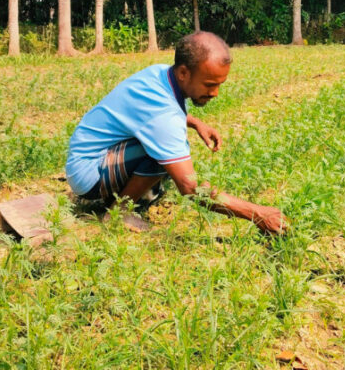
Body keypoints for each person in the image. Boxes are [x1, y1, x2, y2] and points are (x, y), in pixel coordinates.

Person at [65, 31, 287, 234]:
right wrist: (257, 213)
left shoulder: (160, 74)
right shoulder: (163, 115)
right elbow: (190, 187)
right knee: (164, 157)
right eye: (209, 84)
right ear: (183, 72)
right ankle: (118, 214)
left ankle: (129, 195)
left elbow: (149, 115)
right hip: (89, 172)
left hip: (95, 158)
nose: (215, 93)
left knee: (167, 151)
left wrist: (195, 122)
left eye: (220, 84)